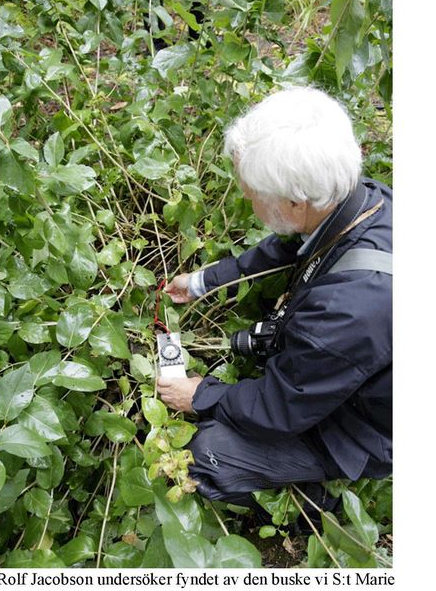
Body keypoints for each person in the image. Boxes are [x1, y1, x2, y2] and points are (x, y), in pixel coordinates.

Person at [156, 86, 392, 507]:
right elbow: (293, 244)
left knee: (205, 455)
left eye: (252, 193)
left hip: (373, 424)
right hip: (363, 359)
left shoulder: (345, 314)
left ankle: (318, 501)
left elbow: (279, 408)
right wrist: (203, 281)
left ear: (296, 202)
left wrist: (200, 395)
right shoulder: (363, 201)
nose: (246, 198)